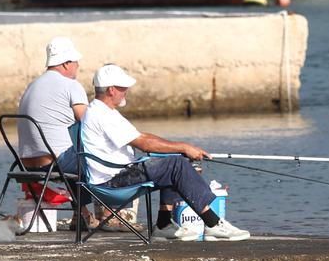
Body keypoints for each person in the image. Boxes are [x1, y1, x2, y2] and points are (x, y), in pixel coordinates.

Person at [80, 63, 250, 241]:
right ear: (112, 90)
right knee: (175, 164)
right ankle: (213, 223)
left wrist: (179, 148)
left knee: (173, 159)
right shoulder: (102, 114)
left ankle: (163, 224)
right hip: (111, 182)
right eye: (123, 88)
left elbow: (140, 136)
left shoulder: (102, 111)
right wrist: (184, 147)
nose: (126, 91)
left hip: (116, 175)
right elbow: (144, 144)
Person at [15, 36, 92, 227]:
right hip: (55, 162)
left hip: (27, 162)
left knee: (73, 150)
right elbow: (93, 125)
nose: (78, 65)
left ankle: (81, 214)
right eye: (75, 61)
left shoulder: (32, 86)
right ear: (65, 63)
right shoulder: (71, 86)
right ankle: (112, 214)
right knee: (103, 158)